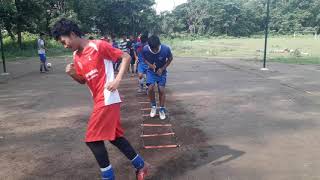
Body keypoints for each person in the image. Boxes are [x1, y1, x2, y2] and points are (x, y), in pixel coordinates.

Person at [51, 18, 148, 180]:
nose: (64, 45)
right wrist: (73, 74)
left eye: (64, 41)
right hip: (99, 100)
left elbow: (126, 57)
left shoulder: (98, 46)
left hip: (108, 98)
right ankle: (141, 165)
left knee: (92, 139)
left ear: (73, 34)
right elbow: (83, 80)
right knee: (115, 138)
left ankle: (108, 177)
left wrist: (117, 80)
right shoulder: (76, 56)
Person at [142, 35, 173, 120]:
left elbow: (170, 58)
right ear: (149, 47)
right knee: (150, 88)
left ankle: (162, 109)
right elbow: (144, 59)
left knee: (161, 89)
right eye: (153, 49)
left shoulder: (165, 49)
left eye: (156, 48)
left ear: (159, 44)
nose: (155, 50)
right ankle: (153, 106)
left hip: (161, 72)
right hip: (151, 72)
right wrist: (150, 65)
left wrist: (162, 68)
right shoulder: (145, 49)